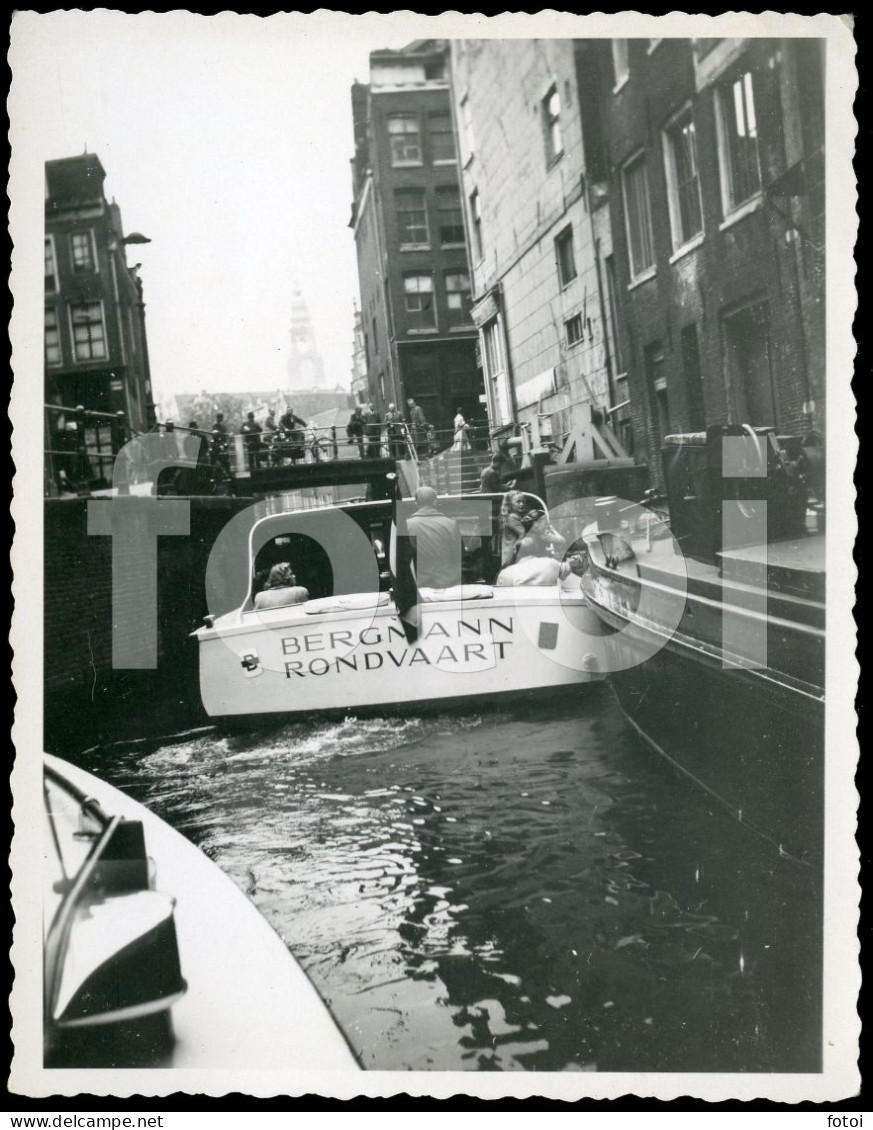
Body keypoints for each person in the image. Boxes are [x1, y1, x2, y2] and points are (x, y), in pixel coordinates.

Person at [406, 485, 464, 589]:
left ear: (416, 504)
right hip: (450, 584)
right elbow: (460, 556)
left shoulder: (407, 526)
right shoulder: (451, 524)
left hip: (421, 586)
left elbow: (405, 560)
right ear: (435, 502)